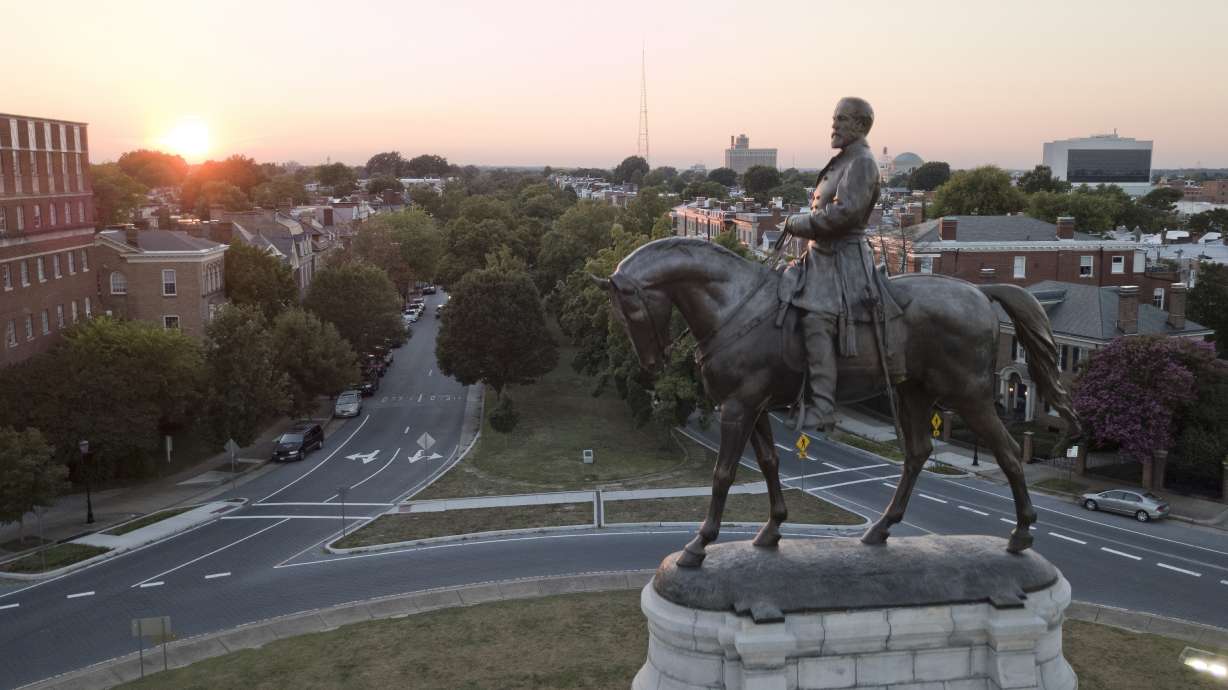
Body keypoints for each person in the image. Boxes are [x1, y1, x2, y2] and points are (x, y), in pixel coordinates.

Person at [782, 97, 896, 432]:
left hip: (842, 261)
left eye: (842, 119)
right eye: (833, 118)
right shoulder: (843, 160)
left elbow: (844, 214)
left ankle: (822, 407)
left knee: (817, 319)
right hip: (820, 257)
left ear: (861, 126)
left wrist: (799, 223)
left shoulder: (861, 162)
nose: (834, 125)